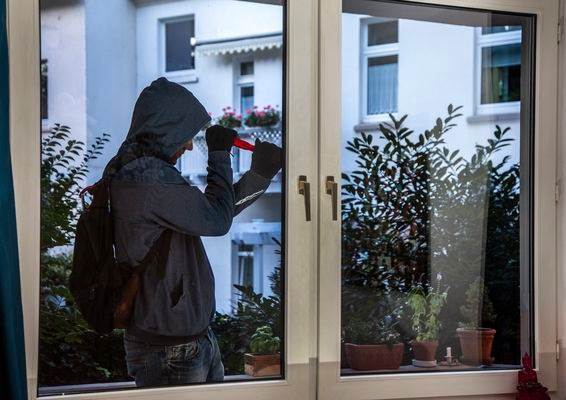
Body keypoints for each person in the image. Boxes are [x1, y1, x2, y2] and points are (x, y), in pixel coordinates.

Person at [105, 77, 282, 387]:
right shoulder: (146, 179)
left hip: (190, 339)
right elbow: (216, 220)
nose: (188, 145)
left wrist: (259, 175)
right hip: (169, 348)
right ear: (165, 128)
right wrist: (218, 155)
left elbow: (213, 212)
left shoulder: (150, 174)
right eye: (185, 136)